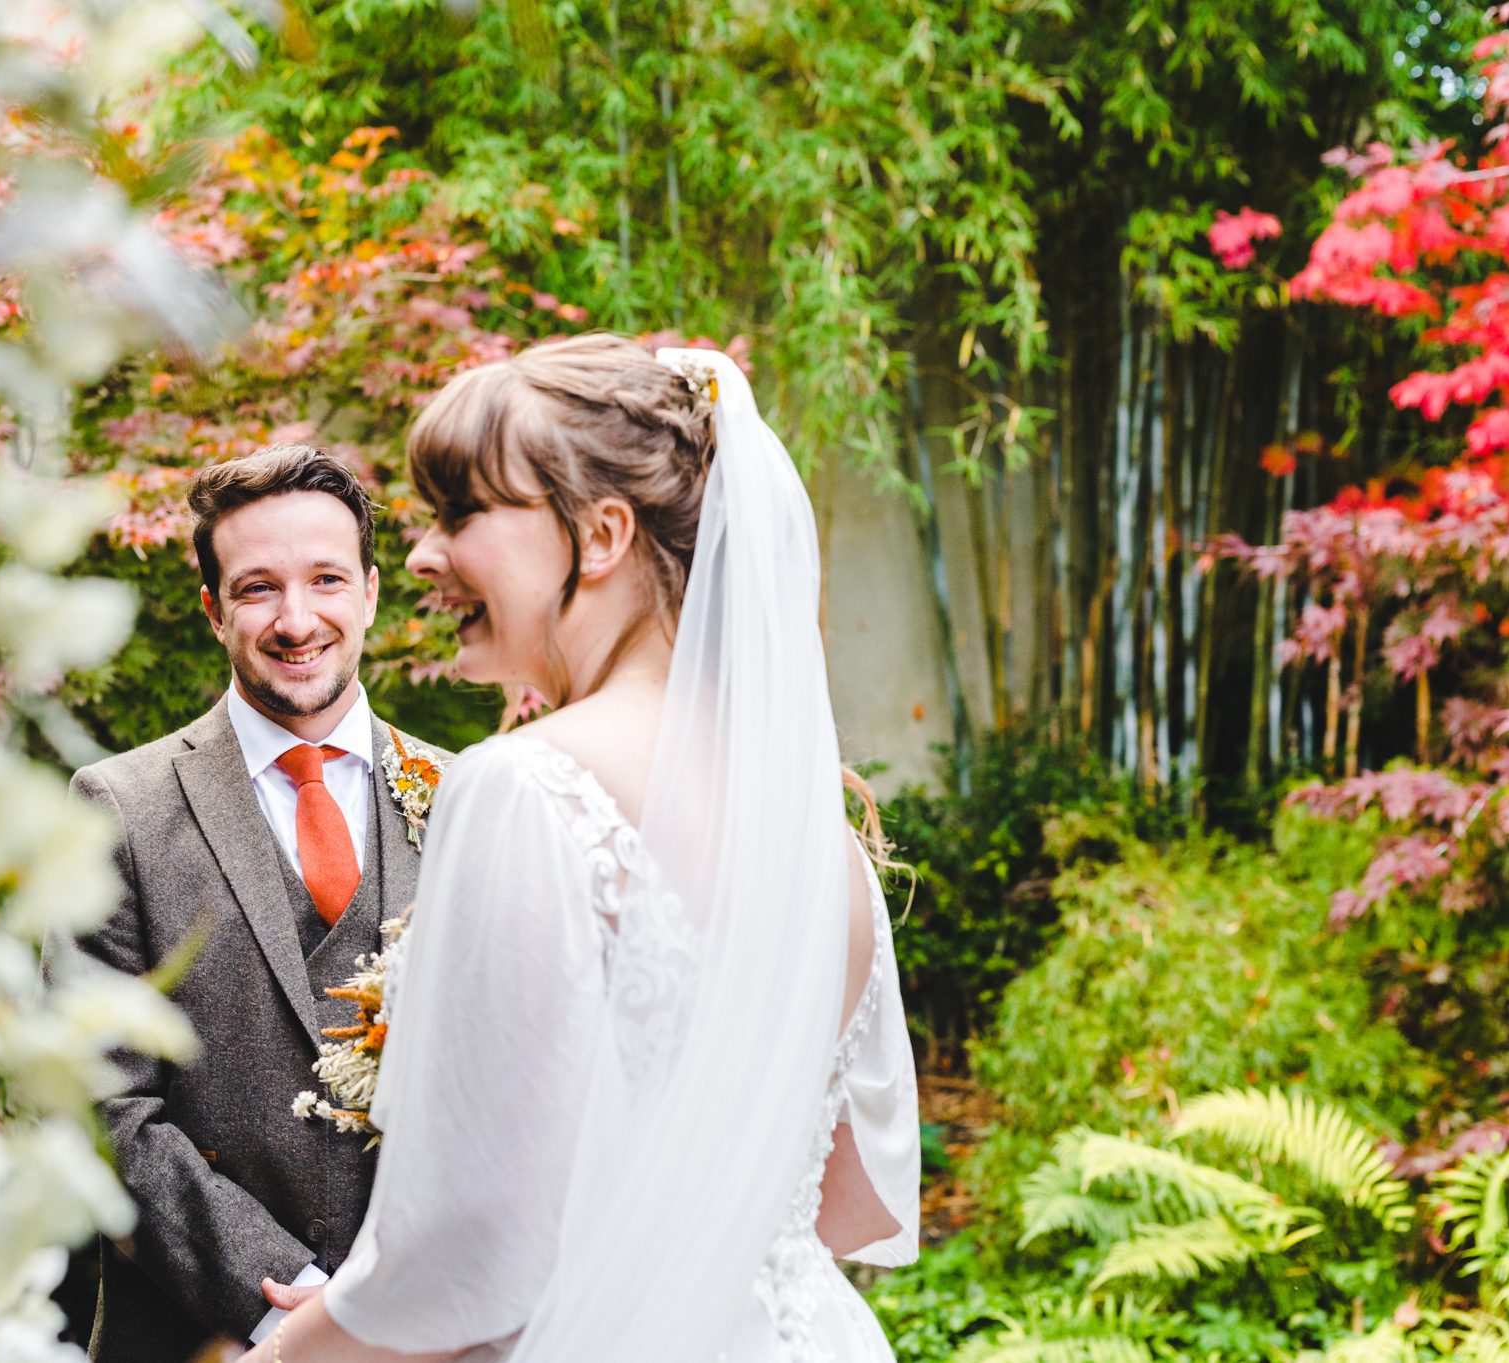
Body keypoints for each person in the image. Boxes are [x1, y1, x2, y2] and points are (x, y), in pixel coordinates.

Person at [239, 336, 920, 1363]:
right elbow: (848, 1203)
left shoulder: (527, 786)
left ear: (597, 534)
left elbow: (468, 1254)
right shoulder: (824, 845)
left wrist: (294, 1351)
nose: (421, 556)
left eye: (461, 513)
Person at [49, 444, 445, 1363]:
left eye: (326, 580)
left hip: (437, 1331)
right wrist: (287, 1301)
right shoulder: (119, 808)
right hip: (201, 1336)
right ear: (213, 610)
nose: (296, 619)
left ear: (373, 593)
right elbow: (93, 1102)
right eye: (259, 587)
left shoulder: (470, 799)